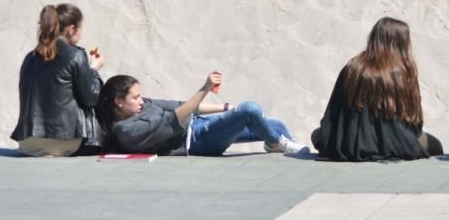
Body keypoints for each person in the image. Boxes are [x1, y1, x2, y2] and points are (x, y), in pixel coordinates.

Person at [312, 17, 443, 161]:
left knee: (316, 135)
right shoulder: (402, 70)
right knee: (436, 145)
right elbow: (414, 119)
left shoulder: (353, 67)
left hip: (350, 144)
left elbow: (333, 112)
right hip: (397, 143)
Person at [97, 73, 309, 156]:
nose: (141, 100)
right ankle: (275, 143)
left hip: (201, 123)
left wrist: (228, 108)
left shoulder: (144, 105)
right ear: (119, 102)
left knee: (276, 125)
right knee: (251, 110)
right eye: (135, 98)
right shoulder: (127, 131)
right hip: (198, 140)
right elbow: (176, 117)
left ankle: (274, 141)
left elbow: (185, 105)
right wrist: (205, 87)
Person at [10, 4, 105, 156]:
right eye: (80, 29)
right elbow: (91, 98)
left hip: (27, 143)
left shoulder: (30, 57)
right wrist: (93, 69)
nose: (81, 35)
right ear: (71, 29)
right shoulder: (76, 55)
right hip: (63, 142)